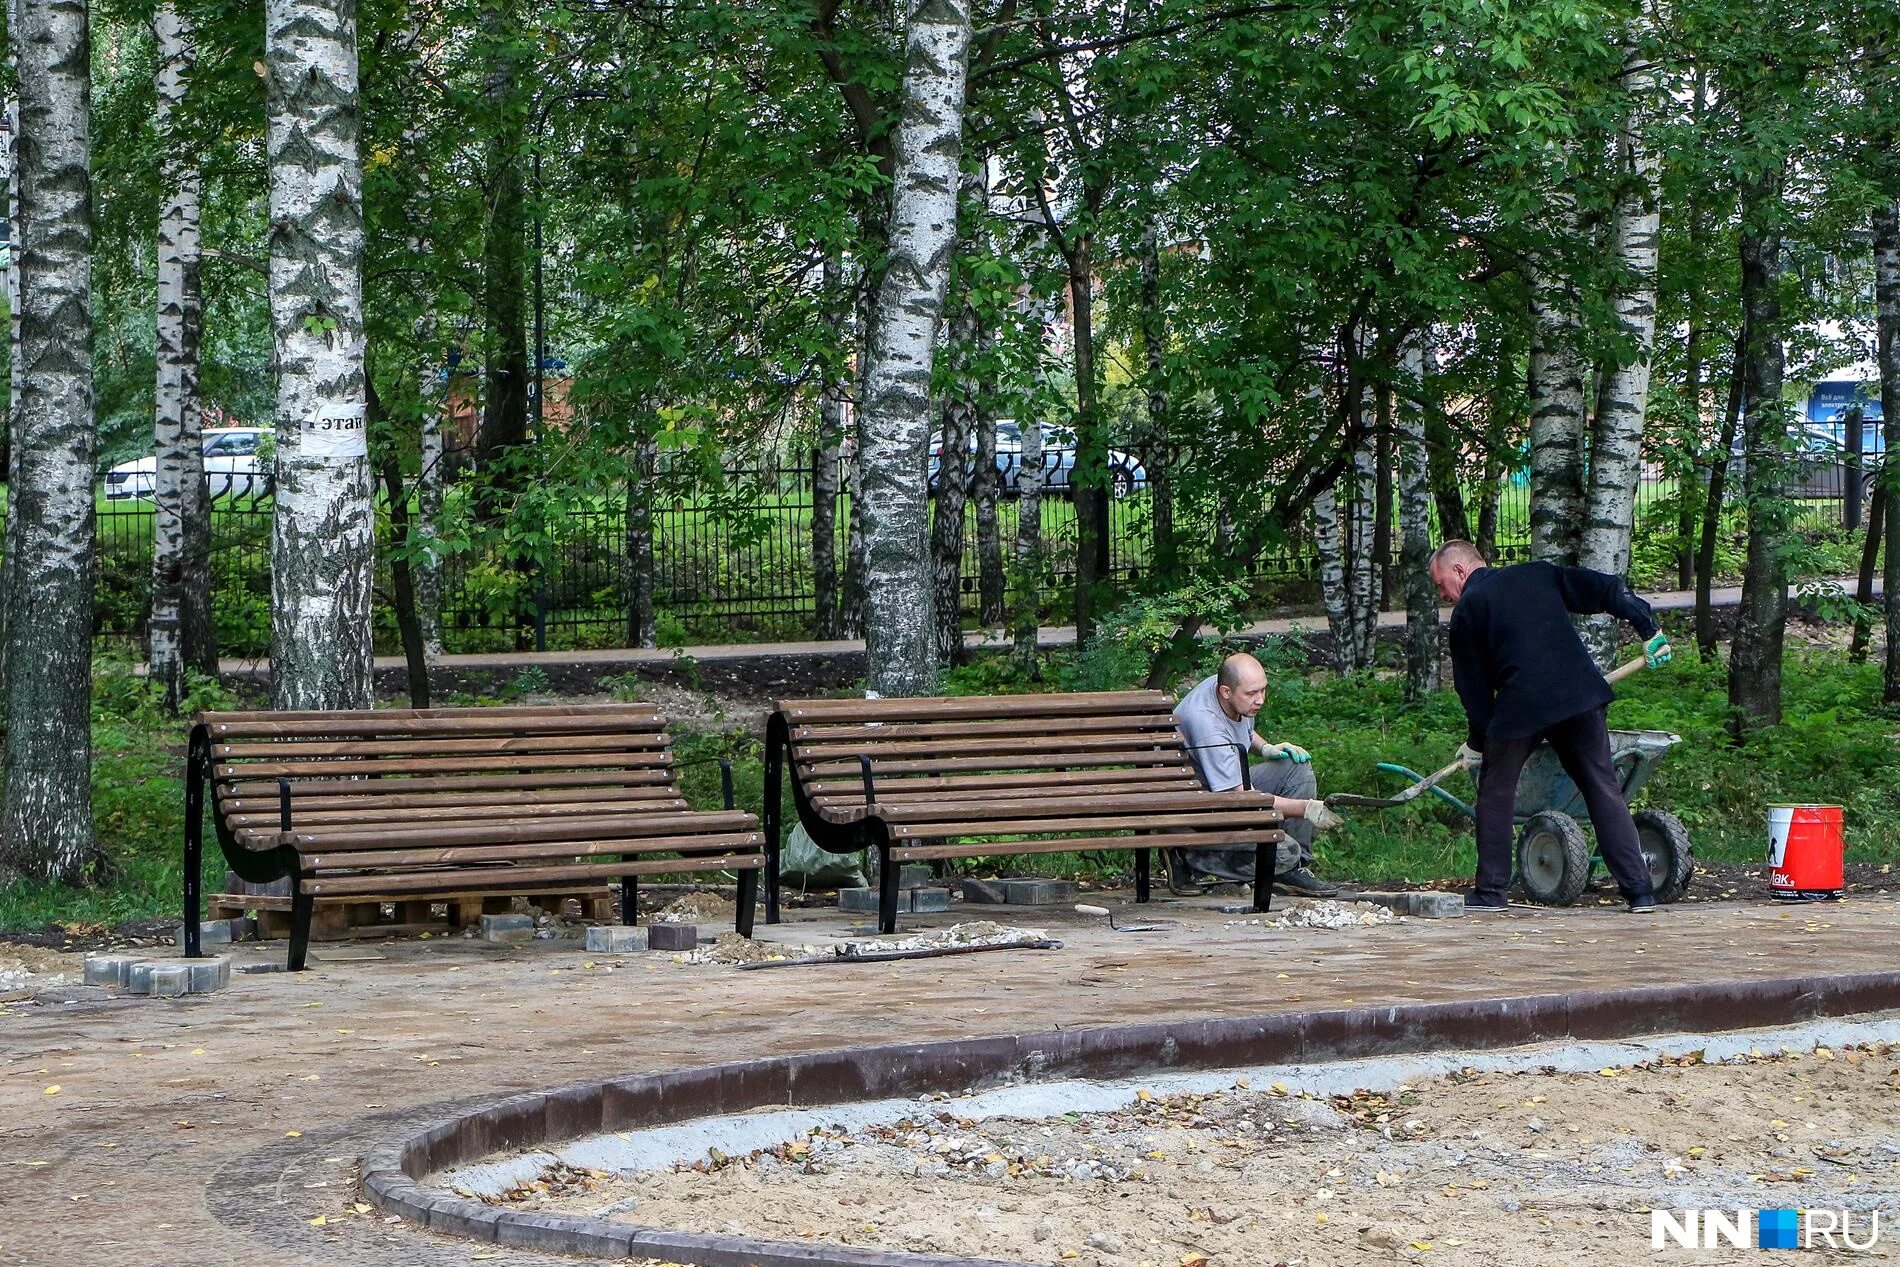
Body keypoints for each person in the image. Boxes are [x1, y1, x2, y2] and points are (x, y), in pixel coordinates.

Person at [1427, 540, 1673, 914]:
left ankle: (1491, 893)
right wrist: (1648, 627)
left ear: (1460, 571)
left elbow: (1473, 693)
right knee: (1602, 786)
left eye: (1440, 583)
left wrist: (1479, 743)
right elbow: (1606, 589)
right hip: (1580, 695)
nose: (1442, 593)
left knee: (1495, 792)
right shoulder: (1537, 574)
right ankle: (1640, 891)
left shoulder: (1468, 612)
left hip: (1521, 704)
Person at [1171, 652, 1345, 897]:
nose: (1260, 700)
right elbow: (1240, 798)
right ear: (1225, 691)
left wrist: (1266, 748)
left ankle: (1294, 869)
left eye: (1263, 690)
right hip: (1199, 805)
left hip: (1218, 785)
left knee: (1296, 770)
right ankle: (1188, 853)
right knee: (1283, 851)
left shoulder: (1229, 688)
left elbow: (1241, 729)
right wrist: (1307, 809)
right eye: (1252, 694)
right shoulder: (1206, 724)